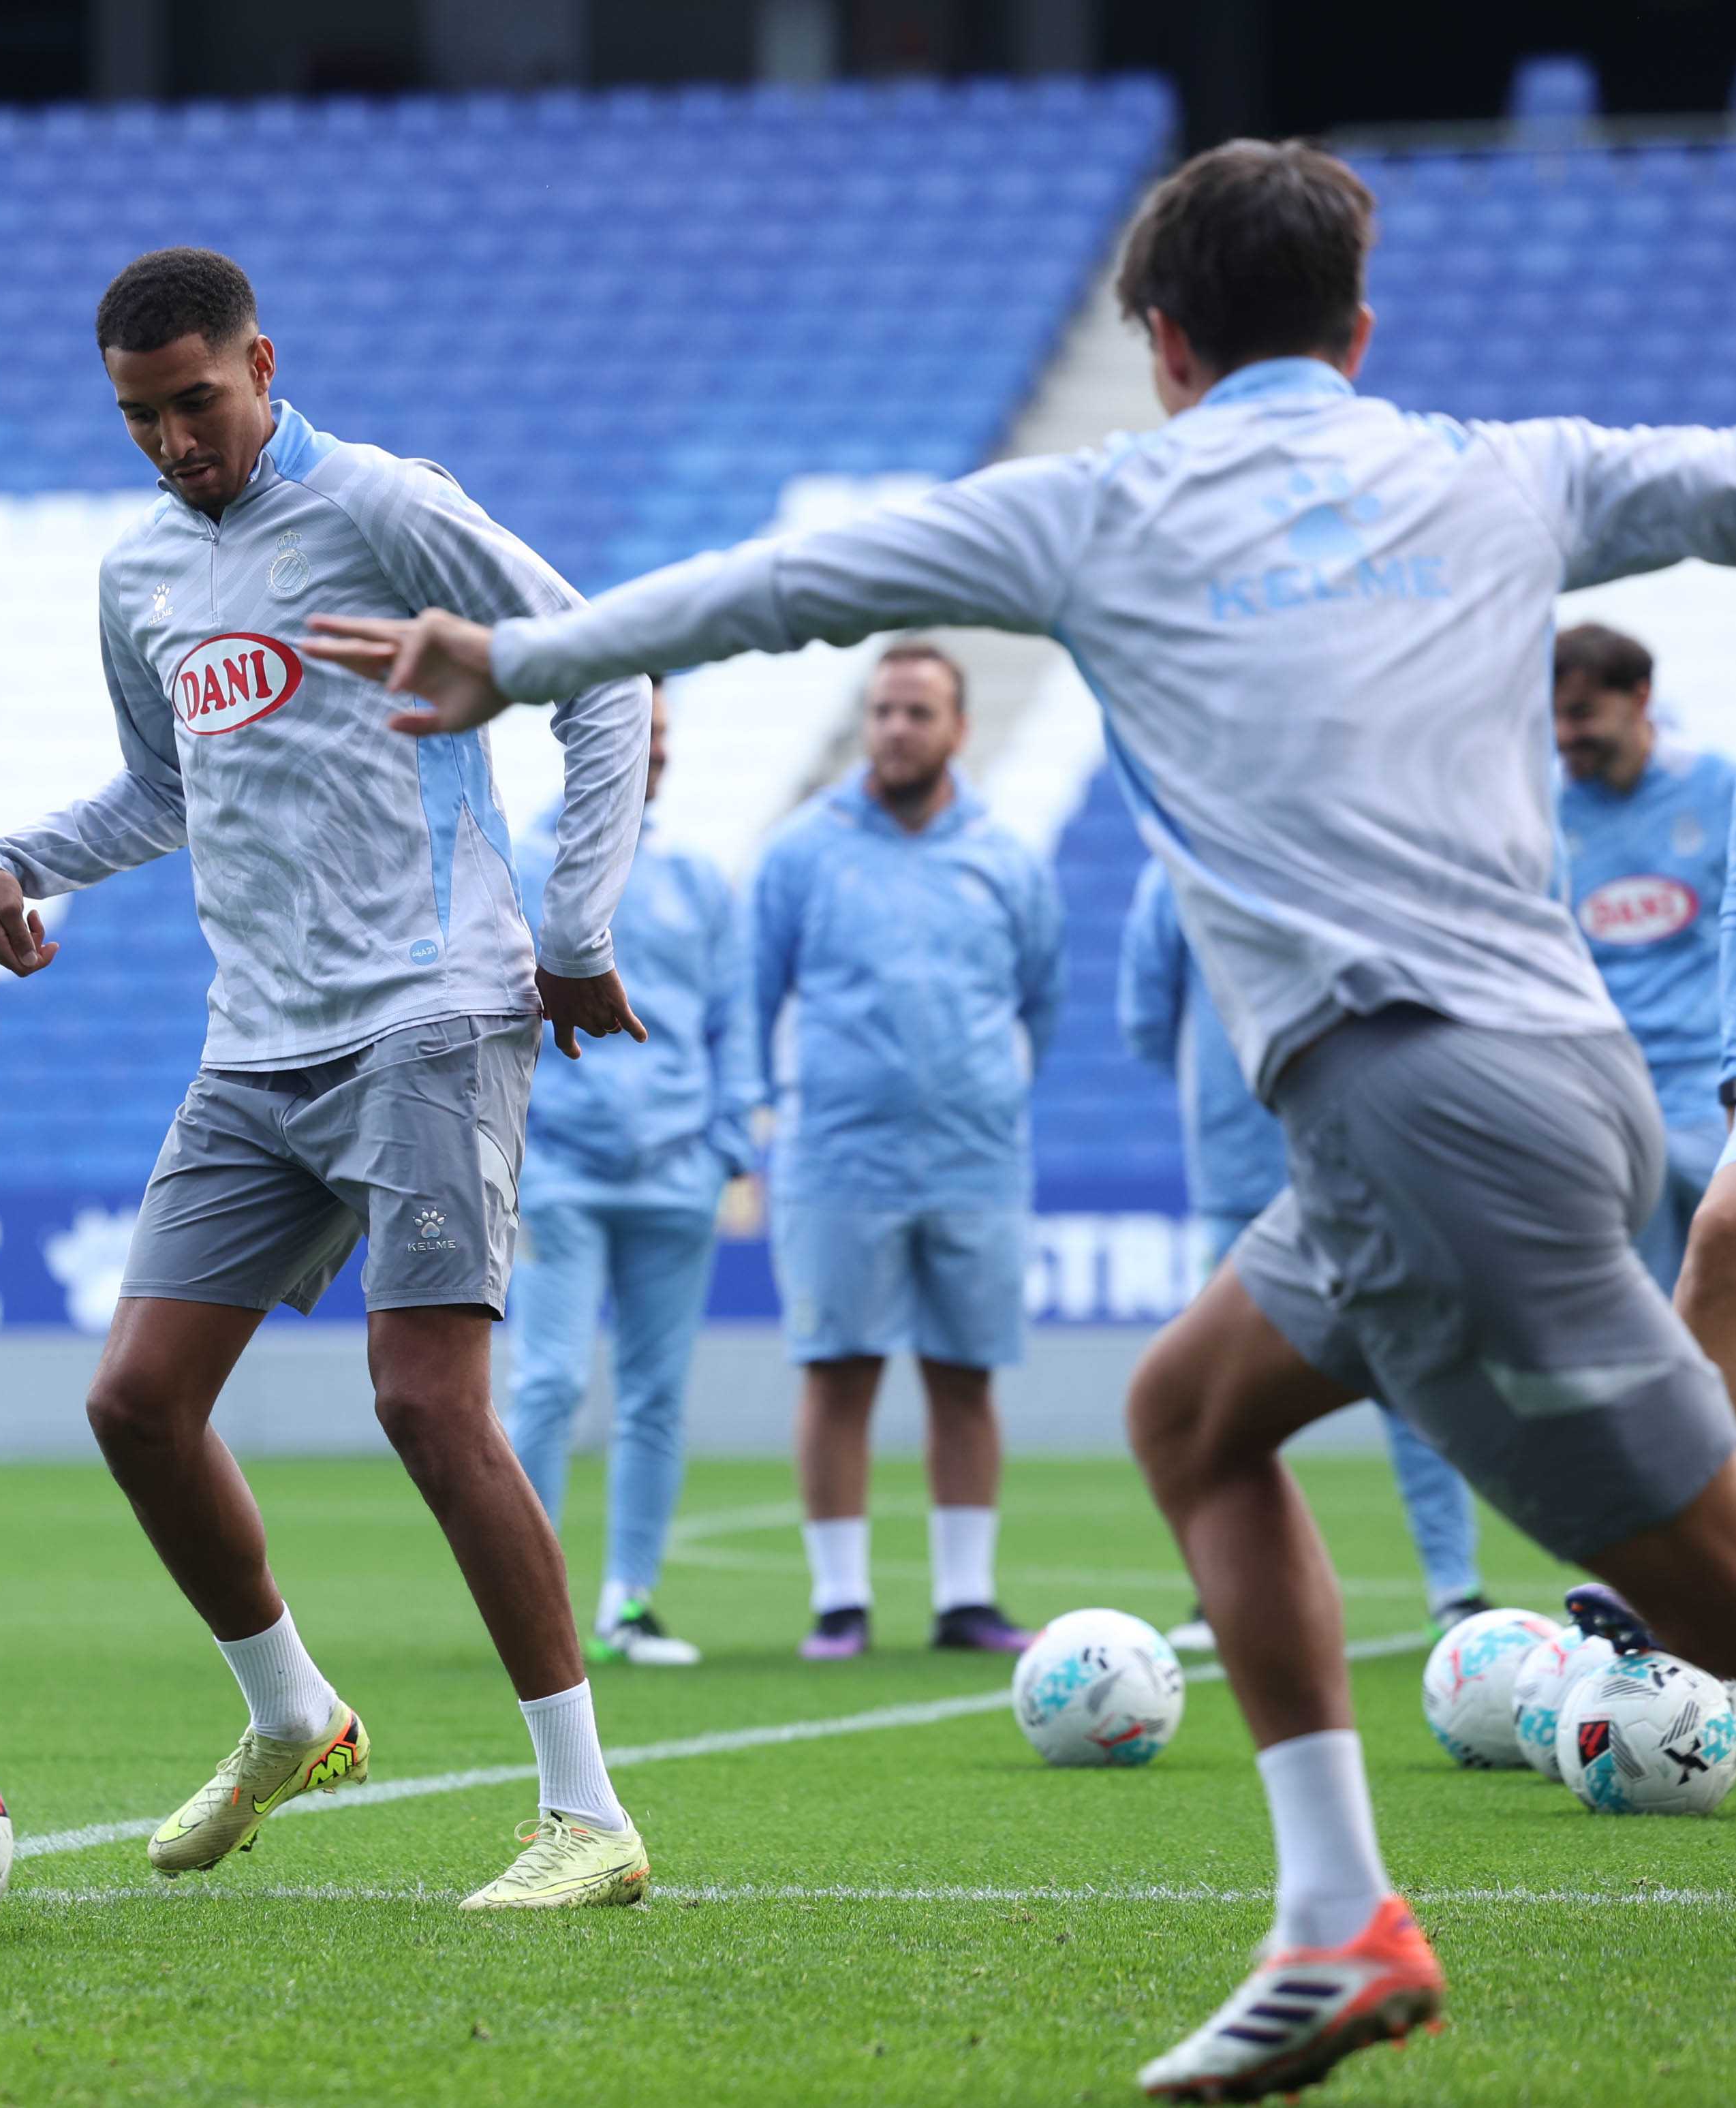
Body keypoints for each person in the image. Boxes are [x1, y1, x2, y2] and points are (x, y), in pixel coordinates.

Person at [310, 138, 1736, 2103]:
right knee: (1192, 1413)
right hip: (1499, 1086)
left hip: (1425, 1103)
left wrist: (523, 658)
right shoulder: (1510, 470)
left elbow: (799, 584)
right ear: (1360, 326)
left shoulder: (1106, 505)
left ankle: (1341, 1916)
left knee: (1699, 1585)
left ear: (1157, 343)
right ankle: (1338, 1922)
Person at [0, 247, 656, 1910]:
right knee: (135, 1404)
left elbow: (607, 672)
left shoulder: (389, 506)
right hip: (256, 1041)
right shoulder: (139, 573)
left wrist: (575, 926)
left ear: (262, 364)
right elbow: (163, 789)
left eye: (197, 403)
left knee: (424, 1399)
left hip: (430, 1009)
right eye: (141, 417)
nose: (176, 443)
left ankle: (588, 1814)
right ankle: (291, 1715)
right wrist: (16, 858)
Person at [749, 642, 1061, 1661]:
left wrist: (988, 1093)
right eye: (883, 709)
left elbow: (1039, 1001)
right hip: (839, 1153)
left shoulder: (1006, 857)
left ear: (958, 730)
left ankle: (964, 1596)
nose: (896, 728)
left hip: (974, 1154)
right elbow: (754, 996)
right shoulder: (802, 849)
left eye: (918, 711)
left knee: (964, 1371)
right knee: (838, 1368)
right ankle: (840, 1600)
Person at [1119, 862, 1492, 1646]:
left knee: (1411, 1374)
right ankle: (1218, 1592)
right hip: (1239, 1173)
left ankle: (1454, 1584)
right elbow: (1147, 1018)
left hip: (1365, 1160)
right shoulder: (1175, 876)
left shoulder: (1339, 847)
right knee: (1221, 1398)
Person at [502, 679, 762, 1668]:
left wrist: (723, 1149)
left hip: (675, 1171)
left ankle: (630, 1602)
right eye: (636, 733)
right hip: (562, 1165)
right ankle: (530, 1601)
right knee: (550, 1379)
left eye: (662, 735)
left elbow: (732, 1022)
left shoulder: (699, 879)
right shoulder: (521, 860)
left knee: (655, 1393)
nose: (652, 752)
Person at [1553, 621, 1733, 1290]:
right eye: (1553, 718)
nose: (1565, 735)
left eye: (1582, 713)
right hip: (1609, 1105)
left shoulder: (1718, 787)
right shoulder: (1542, 808)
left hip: (1712, 1098)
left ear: (1640, 696)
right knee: (1642, 1310)